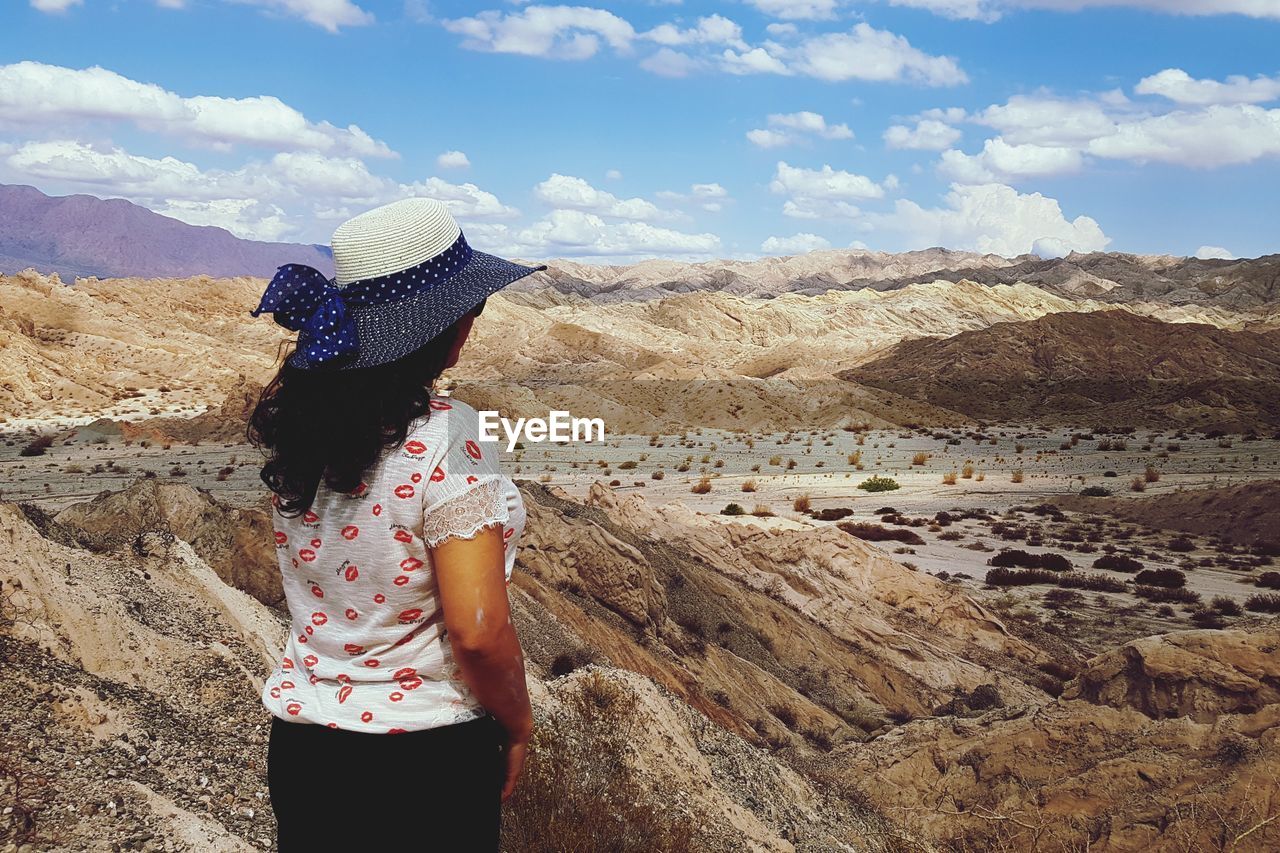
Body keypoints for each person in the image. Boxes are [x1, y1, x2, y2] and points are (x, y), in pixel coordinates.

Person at [246, 197, 545, 851]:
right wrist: (518, 722)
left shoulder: (304, 433)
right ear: (452, 323)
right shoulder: (452, 438)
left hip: (306, 750)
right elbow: (477, 627)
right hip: (424, 760)